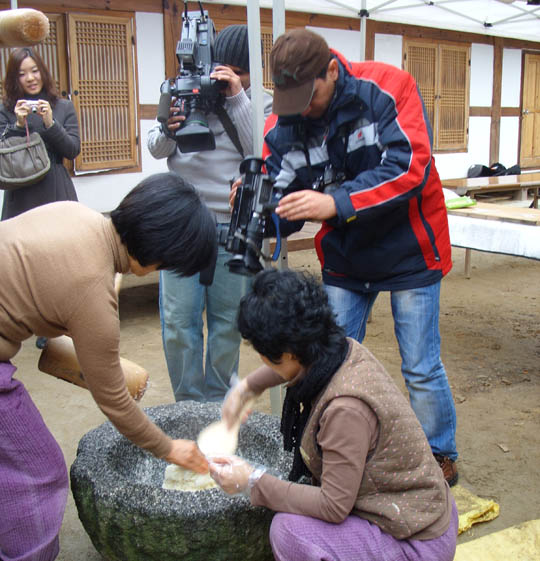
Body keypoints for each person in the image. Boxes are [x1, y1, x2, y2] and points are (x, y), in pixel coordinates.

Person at [259, 28, 458, 485]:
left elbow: (410, 164)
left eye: (310, 97)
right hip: (347, 257)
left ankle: (440, 453)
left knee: (420, 365)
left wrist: (336, 203)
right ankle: (334, 447)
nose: (303, 110)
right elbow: (280, 193)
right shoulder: (286, 119)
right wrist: (263, 205)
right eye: (292, 101)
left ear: (332, 69)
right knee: (330, 356)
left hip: (410, 248)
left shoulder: (387, 87)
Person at [0, 172, 215, 561]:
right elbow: (115, 401)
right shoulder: (93, 296)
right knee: (41, 470)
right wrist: (170, 449)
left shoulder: (78, 215)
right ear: (158, 253)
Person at [210, 269, 458, 561]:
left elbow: (333, 506)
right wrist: (246, 388)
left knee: (288, 531)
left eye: (263, 352)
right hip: (417, 510)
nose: (261, 358)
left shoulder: (345, 409)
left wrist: (252, 481)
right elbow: (293, 365)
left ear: (288, 354)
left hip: (415, 541)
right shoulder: (338, 349)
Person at [147, 25, 273, 402]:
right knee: (178, 325)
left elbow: (263, 146)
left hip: (232, 228)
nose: (228, 77)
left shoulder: (260, 101)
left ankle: (217, 404)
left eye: (240, 72)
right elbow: (154, 147)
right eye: (224, 68)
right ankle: (188, 405)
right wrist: (170, 128)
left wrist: (237, 97)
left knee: (227, 325)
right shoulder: (187, 86)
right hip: (181, 226)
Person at [0, 47, 81, 220]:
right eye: (22, 74)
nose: (30, 78)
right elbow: (3, 154)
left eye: (35, 71)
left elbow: (72, 150)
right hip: (20, 191)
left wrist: (51, 124)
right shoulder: (6, 110)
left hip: (56, 189)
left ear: (43, 72)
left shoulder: (63, 106)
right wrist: (18, 125)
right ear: (14, 79)